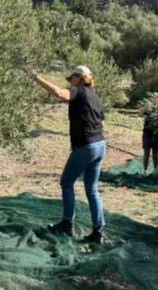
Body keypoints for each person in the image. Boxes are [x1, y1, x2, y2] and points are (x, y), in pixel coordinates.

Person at [29, 65, 106, 244]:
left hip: (86, 146)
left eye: (72, 78)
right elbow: (102, 124)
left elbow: (60, 93)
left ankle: (67, 224)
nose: (70, 81)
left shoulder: (79, 91)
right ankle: (98, 231)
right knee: (92, 189)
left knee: (66, 182)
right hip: (100, 145)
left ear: (79, 78)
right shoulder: (96, 96)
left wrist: (37, 78)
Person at [141, 93, 158, 173]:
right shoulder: (147, 109)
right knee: (146, 152)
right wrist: (145, 108)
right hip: (147, 133)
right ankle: (145, 170)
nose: (154, 100)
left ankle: (156, 170)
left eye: (156, 99)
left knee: (155, 152)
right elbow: (140, 114)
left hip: (156, 133)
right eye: (153, 99)